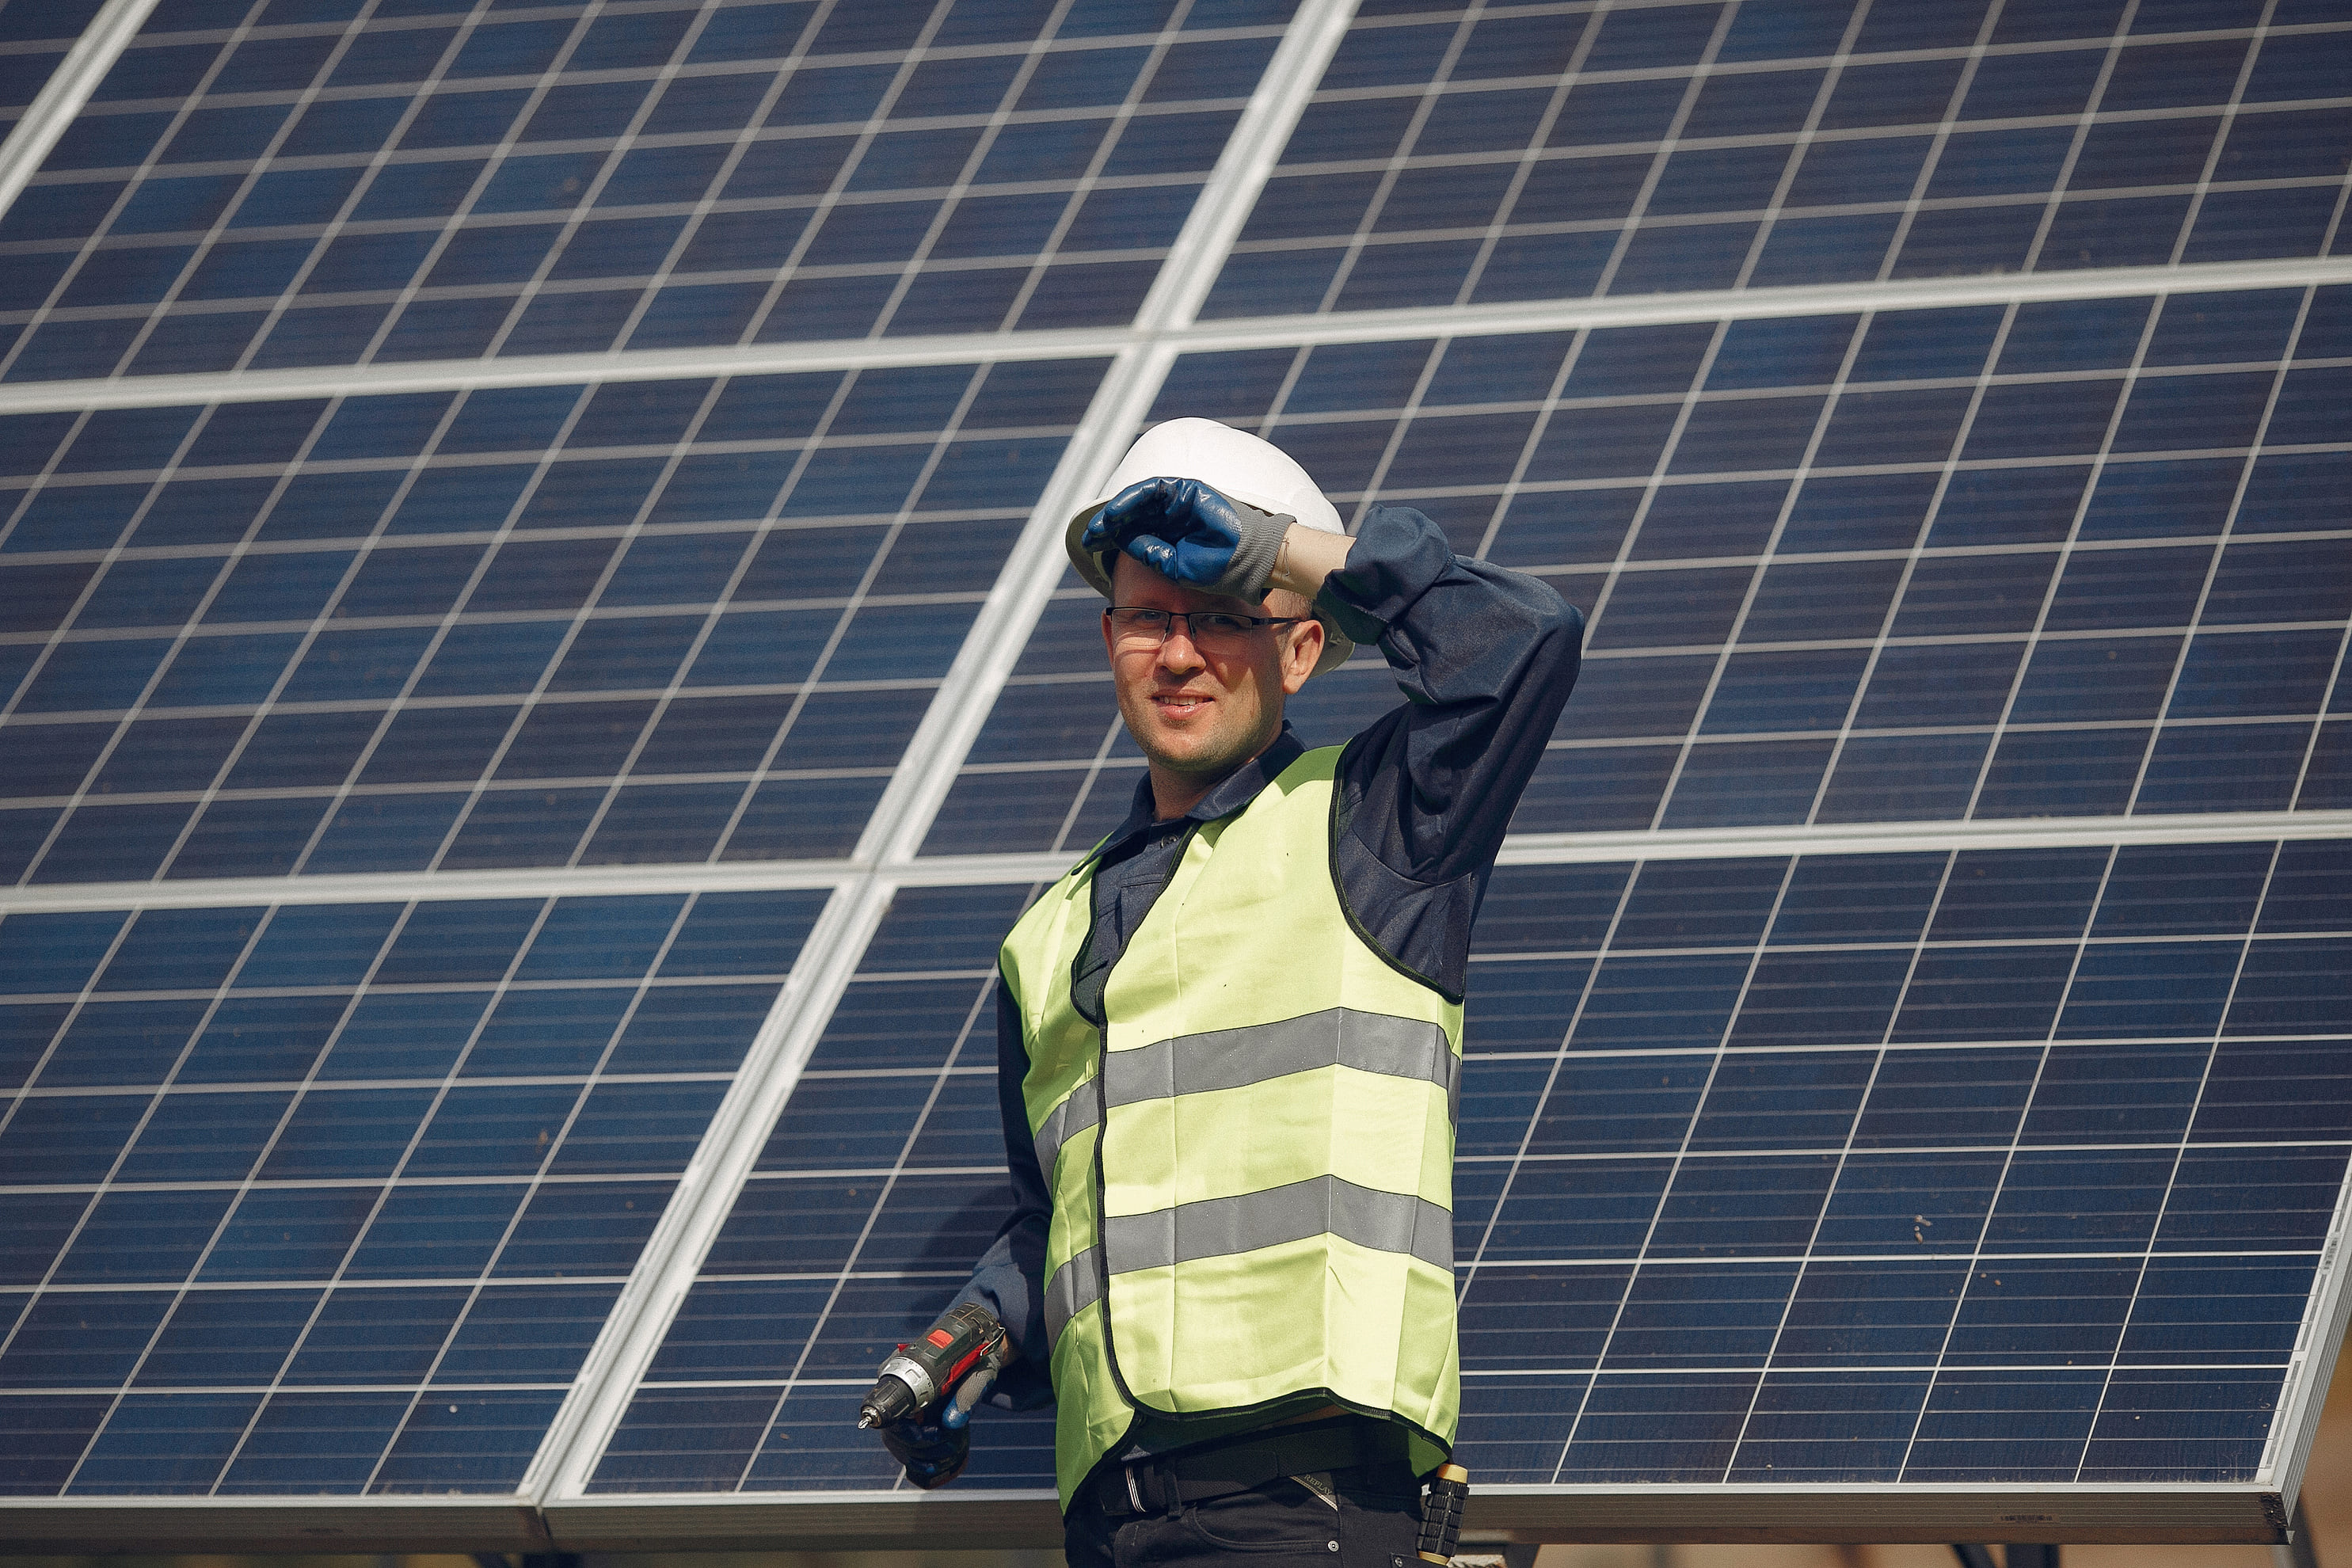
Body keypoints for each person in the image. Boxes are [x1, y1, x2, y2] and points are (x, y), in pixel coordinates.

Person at [867, 417, 1581, 1565]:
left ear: (1299, 651)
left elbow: (1522, 640)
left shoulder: (1375, 828)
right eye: (1150, 617)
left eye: (1223, 617)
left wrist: (1278, 548)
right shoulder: (1045, 936)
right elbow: (1068, 1211)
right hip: (1111, 1521)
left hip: (1304, 1501)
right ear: (1108, 639)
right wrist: (986, 1328)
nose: (1180, 654)